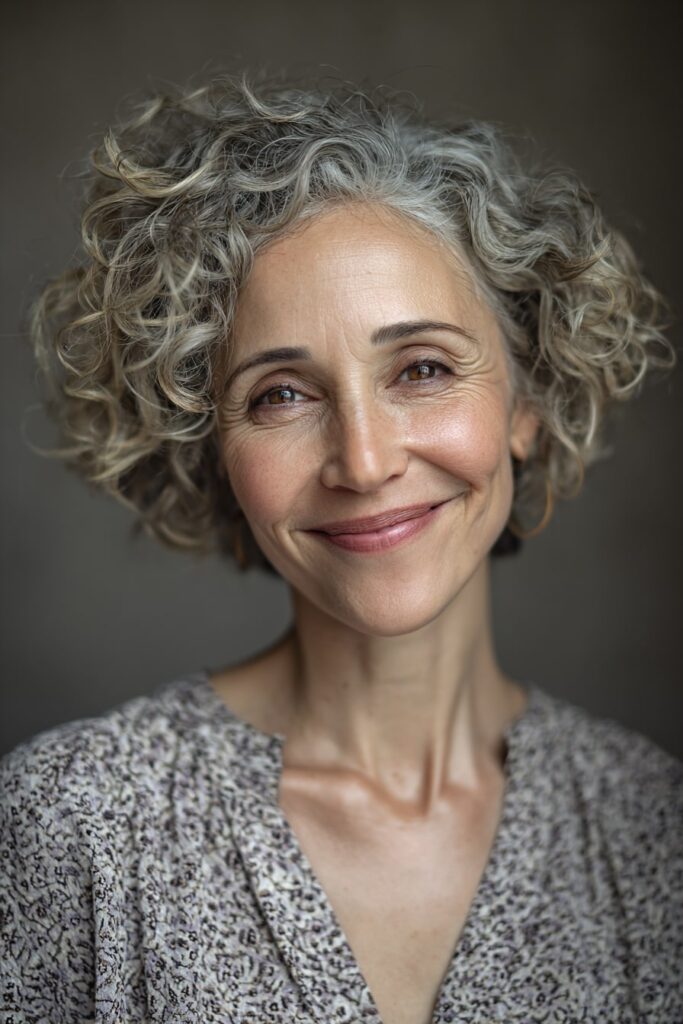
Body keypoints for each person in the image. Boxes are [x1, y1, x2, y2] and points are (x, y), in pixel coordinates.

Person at [1, 72, 681, 1024]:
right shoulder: (73, 824)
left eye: (423, 369)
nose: (362, 461)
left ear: (528, 402)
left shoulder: (653, 827)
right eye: (281, 394)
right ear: (212, 448)